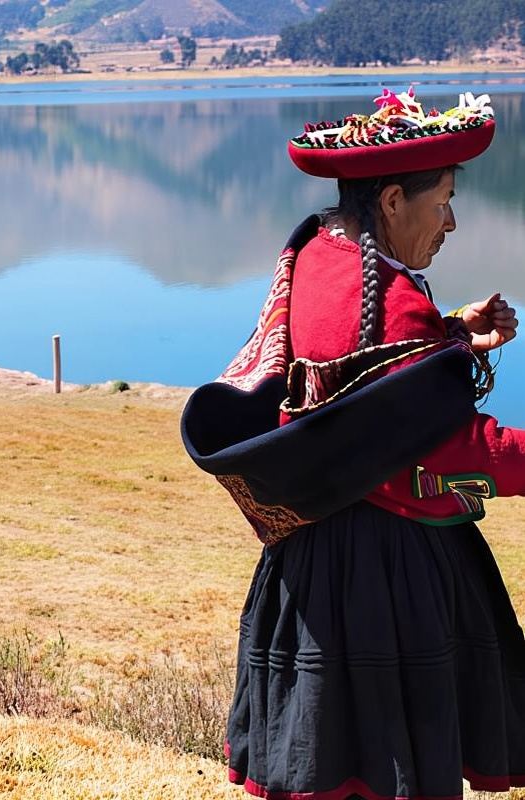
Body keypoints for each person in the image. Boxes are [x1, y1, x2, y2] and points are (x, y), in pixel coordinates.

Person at [187, 89, 525, 799]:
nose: (452, 221)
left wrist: (450, 335)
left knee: (329, 764)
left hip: (310, 557)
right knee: (388, 764)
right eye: (443, 202)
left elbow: (357, 382)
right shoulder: (389, 300)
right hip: (380, 572)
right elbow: (442, 448)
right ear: (394, 199)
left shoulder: (319, 250)